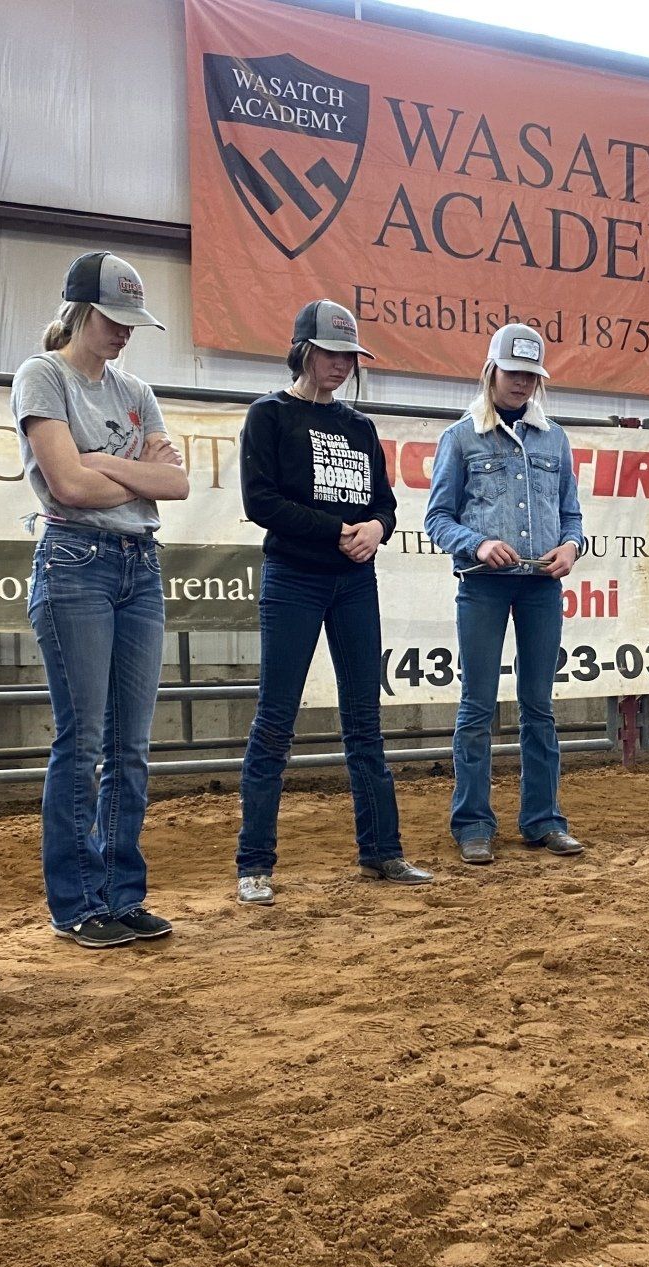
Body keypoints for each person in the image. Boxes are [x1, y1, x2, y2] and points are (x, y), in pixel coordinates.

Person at [14, 252, 188, 947]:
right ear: (81, 311)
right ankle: (78, 902)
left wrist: (105, 463)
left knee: (129, 746)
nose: (123, 332)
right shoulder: (42, 375)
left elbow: (175, 486)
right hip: (75, 561)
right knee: (84, 740)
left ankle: (120, 894)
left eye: (130, 322)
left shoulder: (135, 389)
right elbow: (68, 487)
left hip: (136, 563)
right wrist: (138, 472)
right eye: (114, 319)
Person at [234, 299, 432, 904]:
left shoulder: (359, 427)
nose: (342, 364)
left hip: (353, 582)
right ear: (303, 350)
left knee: (364, 719)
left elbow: (385, 504)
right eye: (331, 352)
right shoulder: (269, 415)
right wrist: (337, 530)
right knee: (276, 720)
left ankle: (382, 851)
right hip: (295, 577)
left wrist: (376, 528)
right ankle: (254, 863)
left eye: (349, 355)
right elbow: (260, 502)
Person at [424, 324, 585, 865]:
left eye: (531, 376)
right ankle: (473, 823)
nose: (522, 383)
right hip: (482, 585)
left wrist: (571, 547)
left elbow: (571, 515)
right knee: (477, 705)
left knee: (539, 705)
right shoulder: (461, 438)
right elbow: (437, 518)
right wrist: (478, 543)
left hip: (541, 586)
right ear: (491, 371)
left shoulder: (554, 439)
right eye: (514, 373)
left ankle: (544, 820)